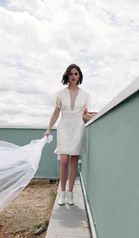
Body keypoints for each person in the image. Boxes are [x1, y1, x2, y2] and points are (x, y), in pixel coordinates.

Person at [44, 64, 95, 206]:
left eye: (76, 74)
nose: (73, 76)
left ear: (79, 77)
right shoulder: (61, 94)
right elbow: (55, 113)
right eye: (71, 74)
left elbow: (85, 114)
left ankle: (70, 194)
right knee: (64, 160)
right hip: (64, 128)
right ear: (67, 76)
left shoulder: (85, 95)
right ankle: (62, 193)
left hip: (78, 128)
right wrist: (49, 129)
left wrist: (93, 116)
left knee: (73, 161)